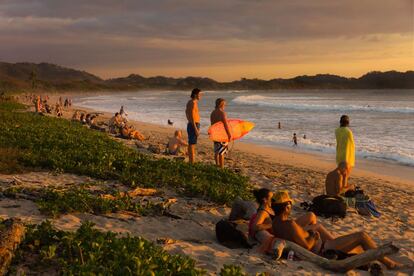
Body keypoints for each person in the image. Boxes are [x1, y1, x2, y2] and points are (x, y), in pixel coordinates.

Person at [271, 191, 402, 269]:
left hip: (317, 246)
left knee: (355, 245)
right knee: (362, 236)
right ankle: (390, 264)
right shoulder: (290, 224)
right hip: (322, 249)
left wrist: (310, 232)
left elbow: (295, 237)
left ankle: (374, 255)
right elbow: (307, 245)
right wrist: (314, 236)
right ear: (287, 207)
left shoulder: (276, 223)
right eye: (290, 203)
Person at [248, 188, 285, 257]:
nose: (273, 200)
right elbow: (255, 226)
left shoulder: (269, 209)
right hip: (263, 234)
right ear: (265, 200)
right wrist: (271, 225)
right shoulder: (263, 212)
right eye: (271, 198)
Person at [210, 98, 231, 168]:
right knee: (221, 152)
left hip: (215, 133)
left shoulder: (213, 113)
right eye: (224, 104)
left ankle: (217, 165)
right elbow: (226, 125)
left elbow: (212, 125)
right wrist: (229, 134)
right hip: (221, 134)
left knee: (216, 151)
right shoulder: (222, 113)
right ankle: (221, 167)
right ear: (221, 104)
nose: (225, 105)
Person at [185, 88, 202, 164]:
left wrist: (189, 120)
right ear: (195, 95)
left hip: (191, 124)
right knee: (192, 144)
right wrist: (195, 128)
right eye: (200, 94)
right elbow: (191, 115)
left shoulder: (190, 102)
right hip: (193, 124)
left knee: (191, 143)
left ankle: (191, 160)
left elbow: (186, 112)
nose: (201, 96)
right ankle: (191, 161)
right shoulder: (193, 103)